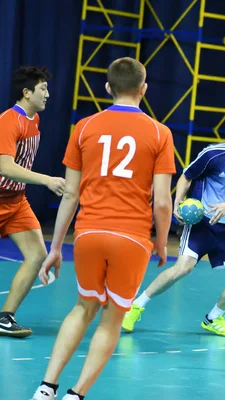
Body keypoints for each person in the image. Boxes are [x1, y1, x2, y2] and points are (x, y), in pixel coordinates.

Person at [30, 57, 176, 400]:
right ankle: (75, 395)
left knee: (83, 307)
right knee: (112, 318)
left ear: (108, 88)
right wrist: (162, 242)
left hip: (88, 233)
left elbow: (70, 194)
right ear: (144, 88)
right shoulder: (160, 132)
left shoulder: (84, 127)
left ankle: (45, 387)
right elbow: (163, 202)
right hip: (132, 237)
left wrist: (54, 248)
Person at [121, 114, 225, 338]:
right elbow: (186, 176)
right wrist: (178, 201)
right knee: (182, 268)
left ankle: (213, 318)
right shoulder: (213, 154)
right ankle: (135, 306)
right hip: (202, 224)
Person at [0, 66, 66, 338]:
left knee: (37, 254)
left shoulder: (34, 119)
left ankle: (5, 317)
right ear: (26, 93)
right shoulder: (8, 121)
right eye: (43, 89)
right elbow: (4, 166)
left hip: (16, 201)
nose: (48, 94)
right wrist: (47, 180)